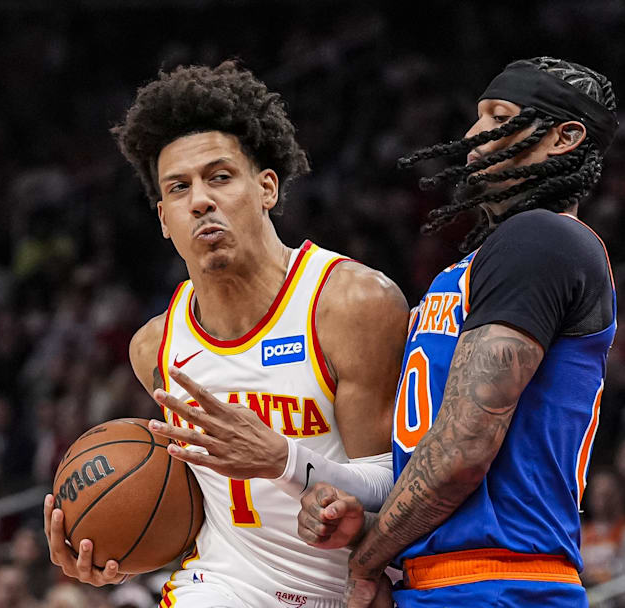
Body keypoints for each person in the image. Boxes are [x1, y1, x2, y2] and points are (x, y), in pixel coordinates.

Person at [42, 61, 410, 608]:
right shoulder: (154, 348)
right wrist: (118, 548)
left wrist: (284, 459)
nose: (200, 200)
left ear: (266, 188)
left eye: (219, 176)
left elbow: (395, 487)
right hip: (225, 585)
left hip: (350, 588)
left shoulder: (350, 303)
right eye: (178, 188)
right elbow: (199, 502)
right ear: (164, 218)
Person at [298, 57, 619, 608]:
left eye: (499, 115)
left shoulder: (542, 240)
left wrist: (367, 560)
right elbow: (425, 451)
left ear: (565, 137)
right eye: (476, 116)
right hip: (442, 577)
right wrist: (365, 514)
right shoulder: (472, 268)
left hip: (504, 580)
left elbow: (464, 449)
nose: (473, 133)